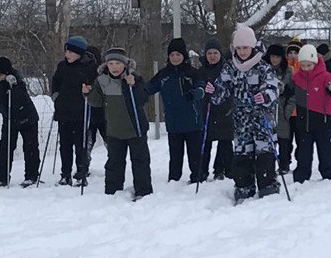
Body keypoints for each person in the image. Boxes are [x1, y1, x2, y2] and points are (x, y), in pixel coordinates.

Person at [208, 25, 282, 203]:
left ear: (253, 47)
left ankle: (267, 185)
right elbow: (222, 90)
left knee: (264, 152)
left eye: (245, 48)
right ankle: (244, 186)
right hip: (241, 119)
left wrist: (264, 96)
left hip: (262, 118)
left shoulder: (263, 67)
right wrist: (213, 91)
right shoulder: (230, 68)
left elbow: (274, 88)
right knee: (242, 153)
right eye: (239, 48)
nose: (242, 52)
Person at [85, 48, 153, 199]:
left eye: (118, 63)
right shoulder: (101, 80)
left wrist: (134, 86)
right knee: (114, 163)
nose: (114, 67)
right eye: (111, 63)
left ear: (125, 64)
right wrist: (87, 93)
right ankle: (112, 192)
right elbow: (96, 102)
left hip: (135, 129)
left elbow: (143, 99)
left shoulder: (133, 77)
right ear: (106, 65)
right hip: (114, 130)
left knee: (140, 161)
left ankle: (143, 191)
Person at [0, 56, 42, 187]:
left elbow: (19, 100)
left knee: (30, 148)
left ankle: (32, 176)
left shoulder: (17, 82)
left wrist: (13, 86)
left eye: (1, 75)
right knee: (5, 149)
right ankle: (1, 178)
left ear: (8, 74)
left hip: (27, 119)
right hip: (9, 120)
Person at [145, 38, 200, 183]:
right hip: (173, 121)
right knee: (175, 154)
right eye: (172, 55)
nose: (175, 58)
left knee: (194, 153)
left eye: (178, 55)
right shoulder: (164, 74)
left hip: (192, 121)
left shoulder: (192, 72)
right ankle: (174, 179)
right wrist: (134, 85)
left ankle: (197, 178)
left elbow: (202, 87)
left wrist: (196, 93)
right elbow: (148, 88)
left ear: (184, 56)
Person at [289, 43, 331, 182]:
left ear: (315, 62)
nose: (306, 68)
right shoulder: (297, 77)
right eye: (303, 65)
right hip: (304, 119)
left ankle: (329, 174)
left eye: (309, 65)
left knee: (324, 149)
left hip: (322, 120)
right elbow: (289, 91)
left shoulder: (325, 76)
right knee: (304, 151)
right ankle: (301, 175)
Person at [50, 36, 96, 185]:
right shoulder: (62, 66)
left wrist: (89, 90)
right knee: (64, 144)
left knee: (80, 144)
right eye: (66, 51)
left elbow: (95, 86)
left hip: (81, 111)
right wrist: (55, 95)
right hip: (63, 110)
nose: (67, 55)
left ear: (79, 53)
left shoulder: (89, 67)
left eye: (71, 52)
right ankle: (65, 174)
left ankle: (81, 173)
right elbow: (56, 82)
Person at [192, 38, 234, 181]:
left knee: (225, 141)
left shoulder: (227, 69)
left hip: (224, 110)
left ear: (220, 54)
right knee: (205, 142)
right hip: (206, 110)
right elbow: (197, 87)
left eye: (215, 53)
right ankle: (202, 171)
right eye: (209, 53)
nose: (212, 56)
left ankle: (222, 169)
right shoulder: (201, 70)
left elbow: (231, 88)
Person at [268, 44, 295, 174]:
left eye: (277, 57)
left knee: (284, 140)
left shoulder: (288, 71)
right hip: (268, 111)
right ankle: (268, 165)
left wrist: (287, 111)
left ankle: (284, 164)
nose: (274, 60)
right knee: (268, 140)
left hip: (282, 110)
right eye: (272, 56)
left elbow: (293, 93)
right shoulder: (264, 70)